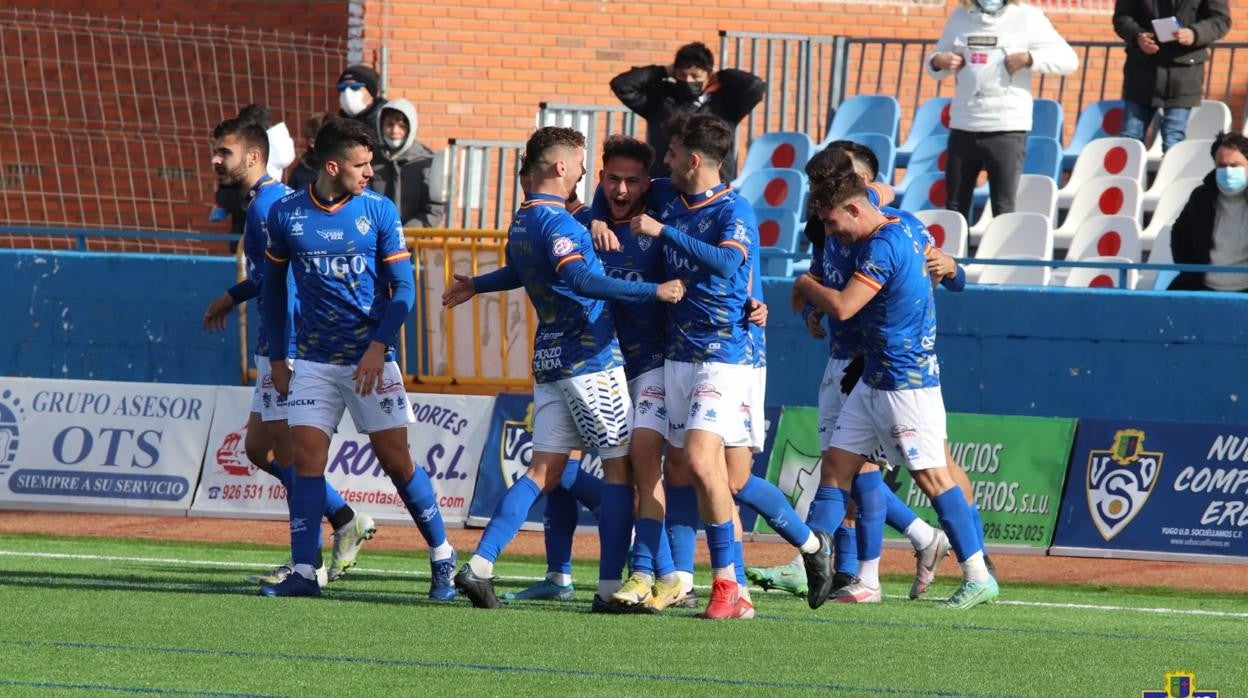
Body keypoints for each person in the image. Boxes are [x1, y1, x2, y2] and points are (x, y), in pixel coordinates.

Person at [443, 126, 686, 611]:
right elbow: (579, 277)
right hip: (590, 358)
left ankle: (479, 565)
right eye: (580, 165)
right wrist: (652, 291)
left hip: (550, 359)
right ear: (561, 167)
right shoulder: (561, 223)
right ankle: (611, 589)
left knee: (542, 471)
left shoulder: (523, 219)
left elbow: (525, 271)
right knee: (623, 469)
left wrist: (478, 284)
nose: (584, 174)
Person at [632, 114, 831, 619]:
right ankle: (707, 579)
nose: (665, 161)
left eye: (673, 151)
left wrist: (663, 233)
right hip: (678, 351)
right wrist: (592, 217)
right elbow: (617, 194)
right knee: (689, 472)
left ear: (693, 159)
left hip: (728, 353)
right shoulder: (664, 197)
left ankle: (728, 583)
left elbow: (727, 263)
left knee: (703, 462)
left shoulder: (734, 209)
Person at [258, 117, 457, 599]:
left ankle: (444, 558)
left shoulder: (380, 211)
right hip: (313, 362)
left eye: (371, 164)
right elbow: (272, 290)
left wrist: (377, 347)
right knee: (306, 461)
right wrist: (280, 357)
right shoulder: (286, 214)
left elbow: (404, 288)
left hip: (370, 361)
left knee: (397, 462)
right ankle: (305, 572)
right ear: (332, 166)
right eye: (361, 164)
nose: (369, 172)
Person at [792, 168, 998, 610]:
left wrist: (805, 285)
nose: (829, 233)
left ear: (854, 208)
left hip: (906, 382)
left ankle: (979, 574)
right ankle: (817, 555)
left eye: (831, 223)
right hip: (874, 378)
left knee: (933, 476)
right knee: (836, 468)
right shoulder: (903, 226)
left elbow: (845, 307)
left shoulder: (884, 246)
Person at [201, 117, 377, 587]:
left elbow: (283, 281)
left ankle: (308, 562)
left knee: (292, 454)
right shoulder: (261, 202)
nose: (216, 160)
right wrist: (236, 296)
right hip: (274, 343)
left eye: (225, 152)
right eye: (215, 151)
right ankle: (343, 518)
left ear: (255, 157)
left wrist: (239, 302)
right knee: (258, 448)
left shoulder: (270, 207)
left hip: (292, 344)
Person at [927, 0, 1077, 219]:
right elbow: (934, 61)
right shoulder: (959, 17)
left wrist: (1030, 58)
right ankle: (954, 253)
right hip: (963, 124)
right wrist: (939, 61)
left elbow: (1069, 60)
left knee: (1003, 206)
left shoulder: (1028, 16)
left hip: (1007, 126)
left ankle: (1000, 253)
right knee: (955, 207)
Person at [610, 42, 765, 181]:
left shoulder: (725, 101)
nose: (688, 81)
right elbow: (622, 85)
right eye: (682, 75)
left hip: (712, 185)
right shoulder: (661, 98)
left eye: (695, 76)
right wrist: (663, 71)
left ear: (708, 75)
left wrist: (722, 75)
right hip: (664, 180)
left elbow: (755, 87)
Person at [1113, 0, 1231, 153]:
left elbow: (1221, 20)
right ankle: (1127, 176)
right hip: (1142, 73)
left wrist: (1194, 33)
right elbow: (1122, 17)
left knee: (1173, 139)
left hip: (1184, 74)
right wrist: (1138, 36)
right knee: (1130, 137)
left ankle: (1170, 176)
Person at [1169, 131, 1248, 291]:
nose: (1228, 171)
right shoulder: (1201, 197)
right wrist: (1191, 277)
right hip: (1203, 289)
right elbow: (1180, 236)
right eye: (1222, 165)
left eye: (1235, 165)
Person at [370, 98, 445, 228]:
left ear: (411, 128)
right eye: (389, 124)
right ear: (380, 126)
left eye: (402, 126)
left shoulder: (426, 162)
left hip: (413, 242)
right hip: (373, 241)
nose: (394, 131)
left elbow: (433, 210)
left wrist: (405, 236)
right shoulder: (369, 159)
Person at [336, 65, 387, 143]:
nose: (347, 93)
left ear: (371, 92)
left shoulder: (386, 121)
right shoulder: (337, 125)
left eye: (355, 87)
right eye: (342, 88)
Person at [288, 111, 334, 191]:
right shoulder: (303, 176)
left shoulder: (344, 168)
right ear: (312, 142)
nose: (337, 144)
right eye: (329, 139)